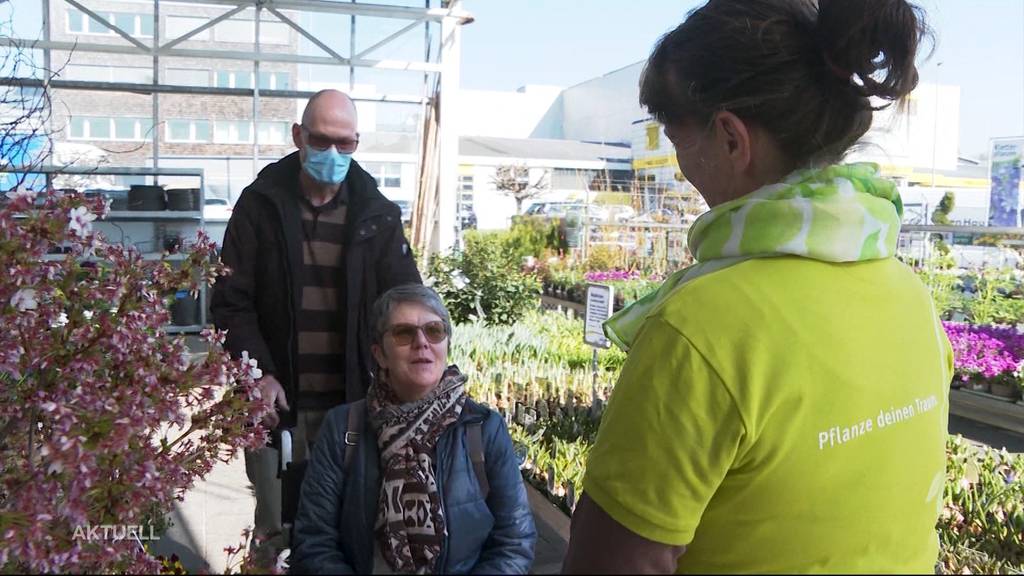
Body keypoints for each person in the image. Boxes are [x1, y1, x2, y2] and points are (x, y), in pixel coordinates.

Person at [563, 0, 952, 573]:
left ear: (729, 138)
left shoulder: (700, 327)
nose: (681, 165)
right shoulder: (908, 293)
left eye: (676, 137)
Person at [210, 89, 421, 555]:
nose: (332, 153)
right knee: (278, 530)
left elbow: (406, 301)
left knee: (351, 527)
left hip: (354, 402)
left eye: (343, 144)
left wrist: (412, 376)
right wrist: (258, 374)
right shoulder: (260, 205)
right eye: (321, 140)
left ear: (356, 143)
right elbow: (230, 301)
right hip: (281, 400)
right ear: (298, 136)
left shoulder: (376, 213)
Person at [290, 284, 537, 574]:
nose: (422, 342)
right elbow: (314, 539)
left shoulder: (483, 429)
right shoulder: (343, 427)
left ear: (446, 344)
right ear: (380, 354)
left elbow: (514, 541)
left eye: (434, 331)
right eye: (404, 333)